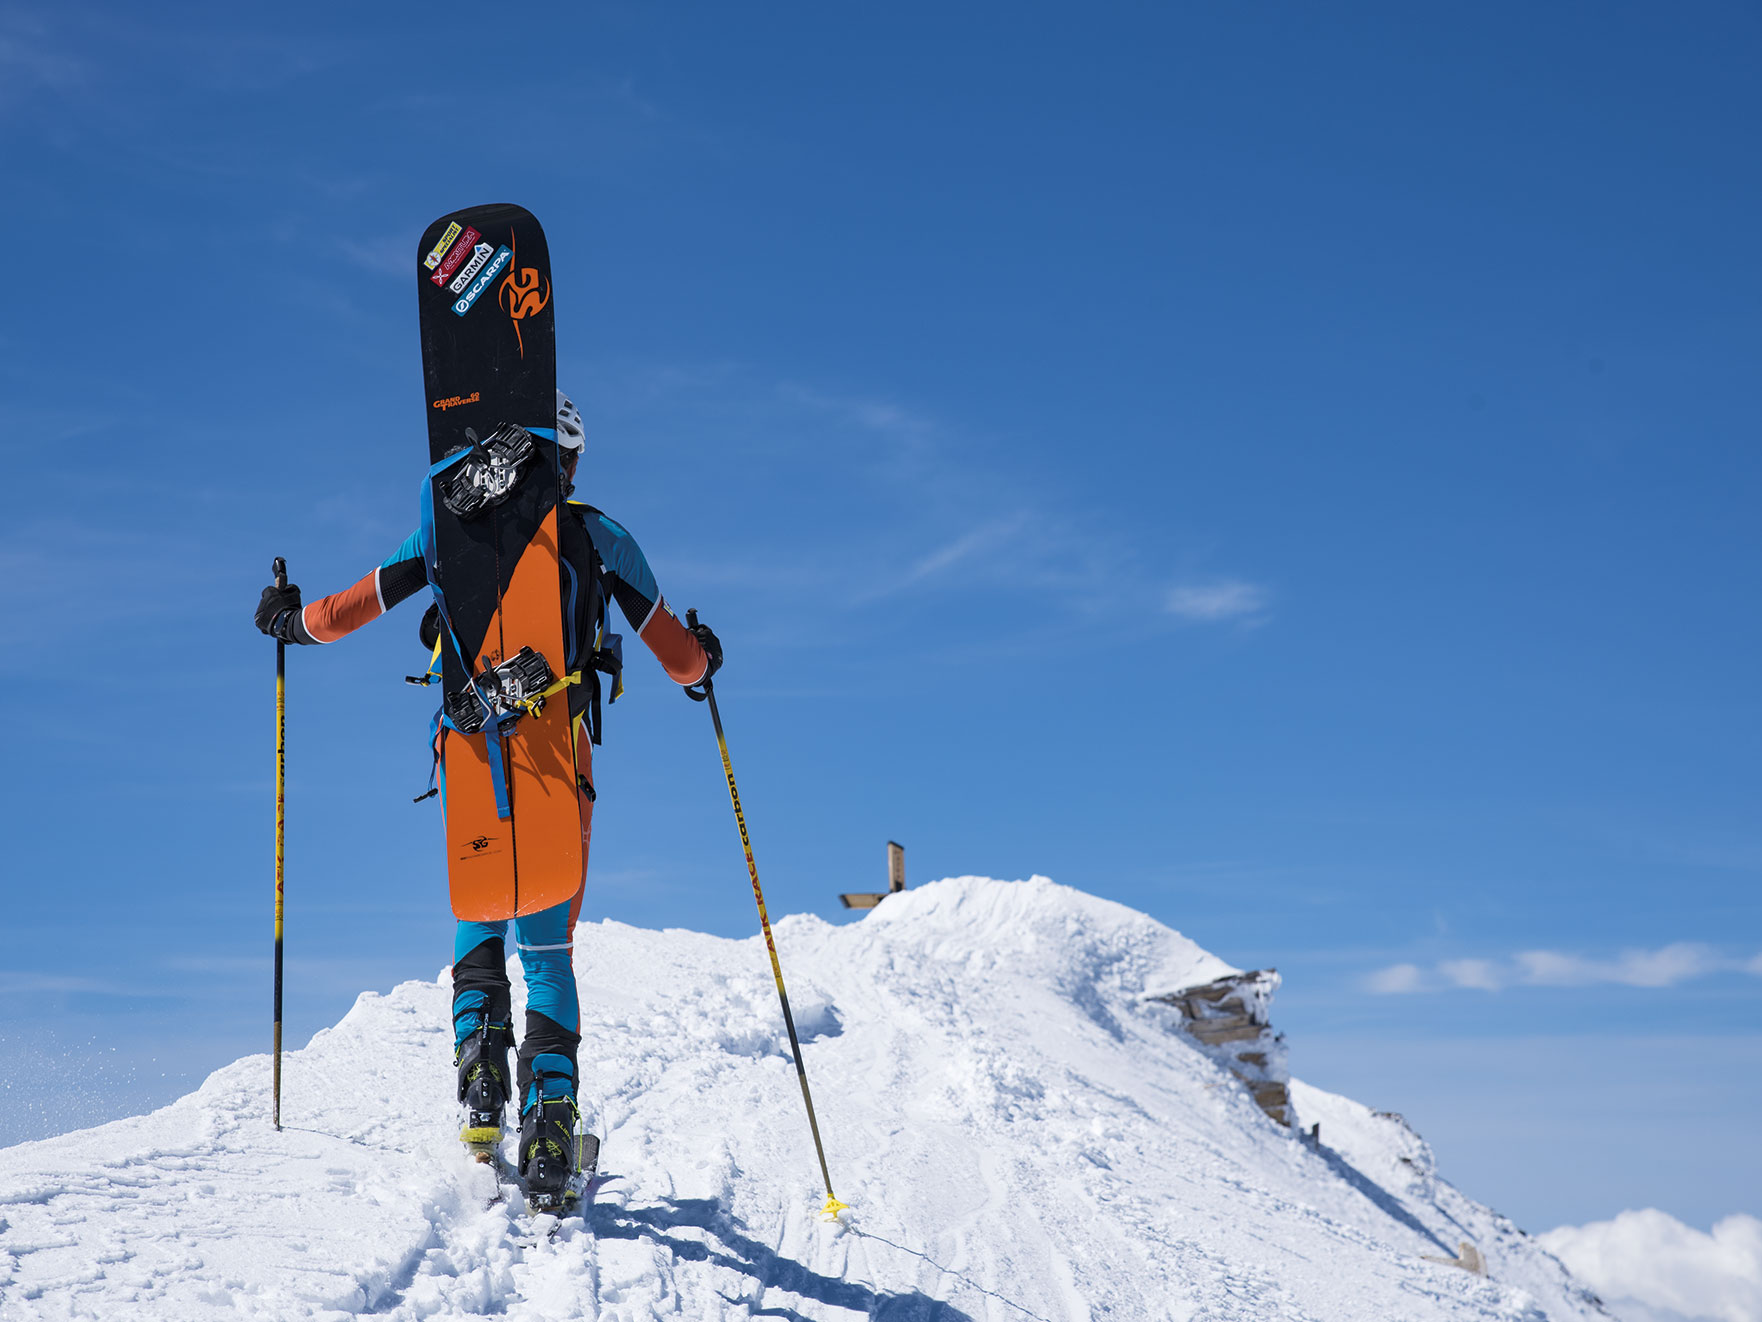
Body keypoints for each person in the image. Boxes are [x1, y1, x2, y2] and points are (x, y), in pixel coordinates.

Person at [253, 391, 720, 1198]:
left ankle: (481, 1085)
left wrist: (292, 624)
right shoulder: (599, 535)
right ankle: (547, 1123)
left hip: (469, 760)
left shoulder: (444, 530)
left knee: (478, 914)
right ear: (568, 461)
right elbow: (680, 662)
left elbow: (353, 607)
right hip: (554, 766)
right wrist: (705, 657)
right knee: (544, 951)